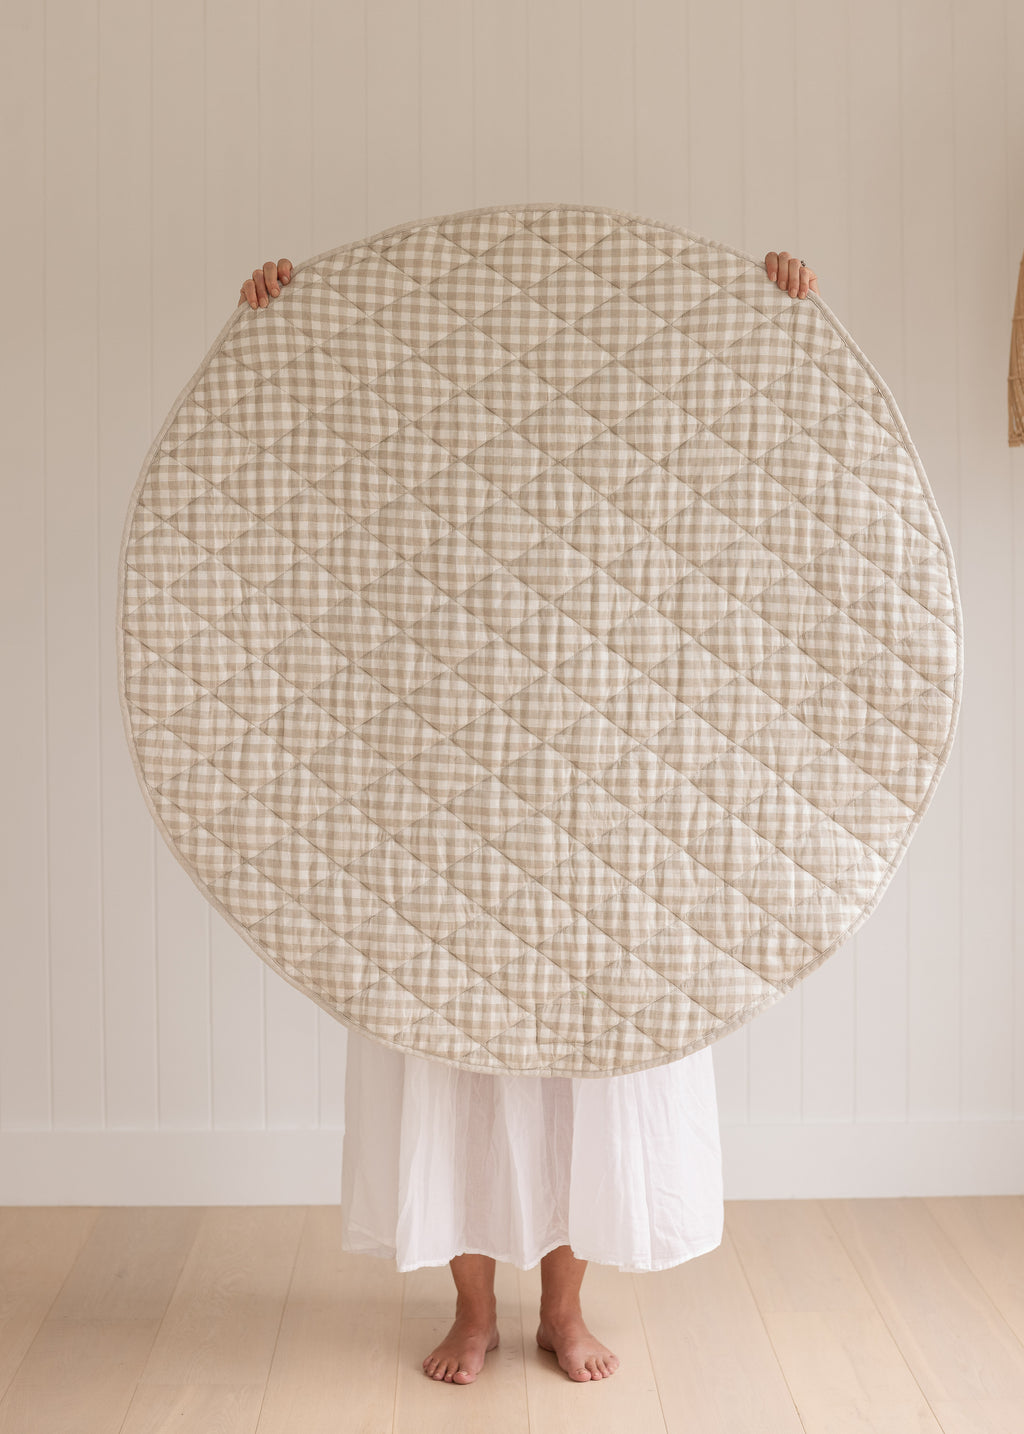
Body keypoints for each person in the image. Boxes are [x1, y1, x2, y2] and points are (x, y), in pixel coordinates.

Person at [235, 242, 820, 1386]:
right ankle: (470, 1312)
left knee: (582, 1057)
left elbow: (731, 440)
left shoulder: (632, 456)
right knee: (446, 1050)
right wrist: (291, 313)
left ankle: (560, 1309)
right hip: (437, 790)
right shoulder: (422, 447)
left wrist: (772, 302)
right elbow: (325, 442)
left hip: (600, 794)